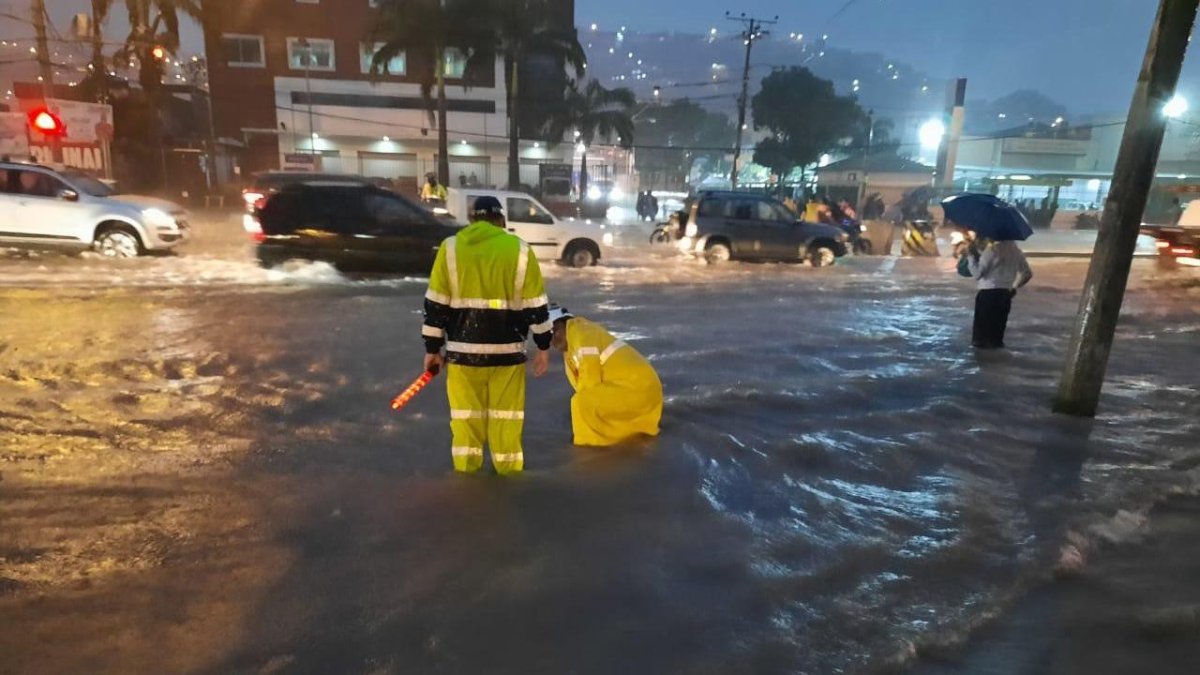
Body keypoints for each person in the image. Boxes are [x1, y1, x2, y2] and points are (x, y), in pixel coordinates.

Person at [421, 196, 552, 475]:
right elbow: (536, 306)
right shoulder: (520, 250)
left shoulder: (450, 248)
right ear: (501, 220)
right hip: (509, 355)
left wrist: (432, 349)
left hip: (462, 355)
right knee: (506, 418)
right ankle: (508, 479)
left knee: (466, 419)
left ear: (472, 220)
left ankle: (467, 485)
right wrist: (543, 346)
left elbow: (435, 306)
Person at [547, 304, 662, 446]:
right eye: (547, 336)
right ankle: (622, 440)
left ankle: (590, 447)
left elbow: (590, 377)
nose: (552, 340)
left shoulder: (581, 332)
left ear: (564, 323)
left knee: (580, 403)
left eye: (554, 332)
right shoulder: (571, 349)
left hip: (637, 388)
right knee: (583, 402)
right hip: (641, 389)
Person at [967, 238, 1033, 350]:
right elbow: (1027, 273)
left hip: (987, 294)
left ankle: (984, 363)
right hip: (1005, 294)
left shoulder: (991, 250)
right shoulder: (1017, 251)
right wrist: (1014, 287)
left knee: (981, 339)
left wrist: (971, 256)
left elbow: (977, 274)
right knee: (996, 336)